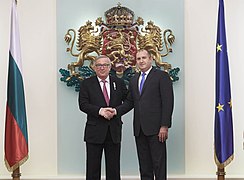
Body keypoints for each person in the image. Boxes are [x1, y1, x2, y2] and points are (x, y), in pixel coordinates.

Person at [114, 49, 174, 180]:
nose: (141, 61)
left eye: (144, 58)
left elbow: (168, 102)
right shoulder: (134, 79)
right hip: (139, 129)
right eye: (138, 59)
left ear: (151, 59)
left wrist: (164, 126)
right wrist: (115, 111)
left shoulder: (161, 76)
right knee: (144, 165)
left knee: (159, 164)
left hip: (156, 129)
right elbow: (130, 102)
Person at [78, 55, 128, 180]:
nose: (102, 68)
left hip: (114, 131)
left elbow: (129, 102)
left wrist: (116, 111)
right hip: (94, 132)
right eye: (99, 65)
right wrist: (100, 111)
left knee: (114, 169)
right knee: (92, 168)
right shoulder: (86, 83)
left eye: (105, 65)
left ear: (110, 67)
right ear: (94, 67)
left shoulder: (119, 83)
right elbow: (83, 104)